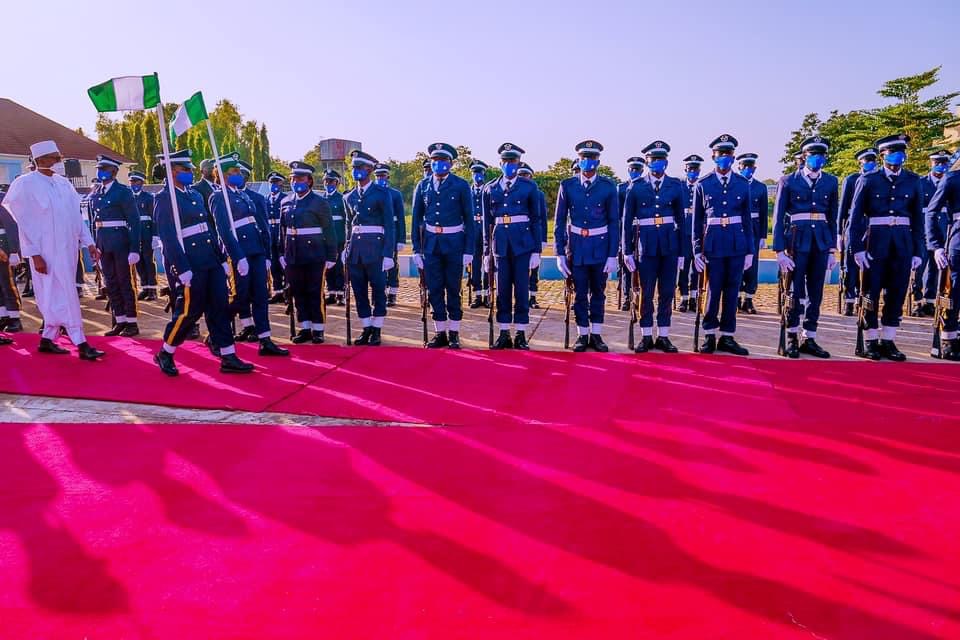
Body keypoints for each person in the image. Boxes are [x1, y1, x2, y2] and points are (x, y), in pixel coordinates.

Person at [153, 149, 253, 375]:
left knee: (219, 307)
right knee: (189, 311)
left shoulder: (195, 195)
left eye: (190, 169)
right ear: (171, 171)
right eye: (184, 169)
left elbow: (209, 229)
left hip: (210, 260)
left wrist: (221, 258)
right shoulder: (164, 198)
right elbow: (168, 237)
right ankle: (166, 352)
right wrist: (182, 268)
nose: (189, 173)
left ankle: (228, 354)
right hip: (190, 262)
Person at [2, 140, 104, 358]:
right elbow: (22, 222)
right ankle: (81, 342)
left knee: (58, 295)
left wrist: (90, 243)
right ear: (40, 160)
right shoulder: (25, 184)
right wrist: (34, 254)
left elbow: (75, 217)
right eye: (55, 157)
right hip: (44, 252)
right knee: (61, 296)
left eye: (59, 157)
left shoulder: (63, 183)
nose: (59, 161)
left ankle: (48, 339)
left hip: (67, 250)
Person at [849, 133, 925, 361]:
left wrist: (918, 251)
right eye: (893, 152)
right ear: (883, 155)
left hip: (902, 243)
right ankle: (871, 339)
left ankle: (888, 339)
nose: (898, 156)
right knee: (870, 291)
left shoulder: (913, 180)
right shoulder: (869, 180)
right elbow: (854, 218)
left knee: (897, 292)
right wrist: (857, 249)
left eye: (901, 152)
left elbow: (918, 219)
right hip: (875, 241)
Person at [209, 154, 288, 356]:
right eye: (235, 172)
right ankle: (216, 333)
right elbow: (224, 230)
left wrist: (266, 253)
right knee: (240, 297)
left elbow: (260, 226)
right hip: (241, 253)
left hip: (256, 251)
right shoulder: (219, 197)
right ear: (224, 175)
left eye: (239, 172)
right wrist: (237, 256)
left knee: (261, 295)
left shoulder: (242, 195)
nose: (239, 175)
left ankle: (265, 339)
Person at [772, 135, 838, 358]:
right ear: (804, 157)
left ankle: (809, 336)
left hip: (820, 241)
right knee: (793, 289)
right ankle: (791, 334)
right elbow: (779, 216)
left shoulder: (830, 181)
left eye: (821, 156)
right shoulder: (788, 181)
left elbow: (833, 217)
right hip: (796, 241)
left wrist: (831, 249)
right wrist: (779, 251)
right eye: (813, 156)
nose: (817, 160)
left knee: (816, 291)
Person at [555, 140, 620, 352]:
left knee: (599, 293)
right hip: (577, 248)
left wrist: (613, 255)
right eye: (583, 157)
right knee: (580, 293)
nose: (587, 161)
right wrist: (559, 253)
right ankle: (582, 334)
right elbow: (559, 222)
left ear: (598, 161)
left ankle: (596, 334)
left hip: (600, 248)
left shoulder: (608, 187)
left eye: (591, 158)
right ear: (578, 159)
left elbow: (613, 223)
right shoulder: (567, 185)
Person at [692, 134, 754, 355]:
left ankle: (727, 336)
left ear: (733, 156)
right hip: (714, 243)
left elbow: (747, 219)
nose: (725, 158)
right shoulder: (703, 184)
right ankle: (709, 333)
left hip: (737, 244)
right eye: (721, 155)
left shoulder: (741, 183)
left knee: (732, 290)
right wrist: (697, 250)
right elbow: (697, 220)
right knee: (713, 289)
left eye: (728, 155)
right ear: (713, 157)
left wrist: (750, 251)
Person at [622, 140, 685, 353]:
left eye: (661, 159)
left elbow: (682, 221)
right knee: (646, 292)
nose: (658, 163)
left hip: (669, 246)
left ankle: (664, 335)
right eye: (654, 159)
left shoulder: (676, 185)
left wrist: (683, 253)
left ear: (666, 162)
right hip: (645, 246)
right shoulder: (636, 186)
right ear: (647, 162)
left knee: (667, 292)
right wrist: (627, 251)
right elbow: (626, 220)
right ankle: (646, 334)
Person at [411, 143, 474, 349]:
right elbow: (416, 219)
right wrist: (416, 249)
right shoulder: (423, 185)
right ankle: (440, 331)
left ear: (451, 163)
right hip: (431, 245)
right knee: (434, 288)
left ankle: (454, 331)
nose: (438, 164)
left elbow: (469, 219)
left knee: (453, 288)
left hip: (454, 243)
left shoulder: (461, 185)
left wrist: (469, 250)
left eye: (443, 161)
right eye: (435, 161)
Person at [482, 143, 542, 350]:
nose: (509, 164)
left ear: (518, 163)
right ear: (500, 163)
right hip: (499, 245)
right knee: (502, 290)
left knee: (522, 290)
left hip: (523, 245)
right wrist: (486, 252)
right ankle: (504, 331)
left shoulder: (529, 187)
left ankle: (521, 333)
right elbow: (487, 223)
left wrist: (537, 250)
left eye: (513, 161)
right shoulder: (490, 188)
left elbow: (536, 219)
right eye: (506, 161)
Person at [280, 161, 338, 344]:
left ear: (309, 181)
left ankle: (318, 328)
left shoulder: (320, 202)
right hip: (293, 254)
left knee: (314, 291)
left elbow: (329, 230)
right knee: (298, 291)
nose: (296, 181)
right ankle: (304, 327)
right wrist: (282, 254)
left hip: (315, 254)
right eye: (293, 178)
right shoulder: (286, 201)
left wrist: (331, 255)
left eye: (300, 178)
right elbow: (282, 231)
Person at [345, 151, 396, 345]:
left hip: (375, 249)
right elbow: (349, 224)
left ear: (369, 169)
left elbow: (389, 225)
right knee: (358, 290)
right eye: (354, 168)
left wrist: (388, 253)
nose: (356, 171)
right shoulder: (349, 196)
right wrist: (346, 247)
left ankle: (377, 329)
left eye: (360, 168)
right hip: (355, 251)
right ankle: (366, 327)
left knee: (378, 290)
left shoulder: (382, 194)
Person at [89, 154, 141, 336]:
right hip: (103, 242)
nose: (101, 172)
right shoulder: (96, 193)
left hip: (120, 241)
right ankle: (119, 320)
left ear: (114, 171)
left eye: (104, 169)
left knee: (124, 282)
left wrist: (135, 248)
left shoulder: (123, 192)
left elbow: (134, 221)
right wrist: (94, 246)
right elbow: (95, 223)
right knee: (110, 282)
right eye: (99, 169)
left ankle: (132, 322)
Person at [926, 158, 960, 360]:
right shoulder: (952, 179)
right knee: (954, 292)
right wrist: (936, 246)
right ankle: (948, 339)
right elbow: (932, 211)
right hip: (957, 241)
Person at [838, 147, 878, 316]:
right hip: (854, 226)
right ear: (860, 162)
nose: (869, 163)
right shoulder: (852, 179)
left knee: (871, 263)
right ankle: (849, 299)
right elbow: (843, 207)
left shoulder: (878, 179)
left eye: (872, 160)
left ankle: (865, 298)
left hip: (872, 226)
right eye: (866, 161)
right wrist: (839, 233)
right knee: (850, 265)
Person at [916, 150, 952, 317]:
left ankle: (930, 301)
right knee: (919, 266)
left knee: (935, 269)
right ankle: (917, 300)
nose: (940, 166)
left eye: (943, 163)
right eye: (937, 162)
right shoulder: (921, 182)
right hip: (924, 230)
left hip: (944, 230)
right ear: (931, 163)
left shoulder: (950, 182)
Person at [737, 153, 768, 314]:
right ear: (739, 167)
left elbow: (764, 213)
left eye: (751, 167)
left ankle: (748, 298)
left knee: (752, 264)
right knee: (736, 263)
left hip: (754, 229)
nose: (748, 169)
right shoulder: (734, 184)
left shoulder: (760, 187)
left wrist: (763, 235)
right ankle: (736, 296)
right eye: (745, 166)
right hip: (737, 228)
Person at [373, 163, 406, 307]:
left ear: (388, 176)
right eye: (378, 176)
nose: (380, 178)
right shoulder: (371, 193)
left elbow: (401, 218)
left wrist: (401, 239)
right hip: (376, 233)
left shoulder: (395, 194)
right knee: (375, 265)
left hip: (391, 233)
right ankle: (379, 292)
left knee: (392, 264)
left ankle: (392, 292)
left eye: (383, 175)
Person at [617, 157, 645, 311]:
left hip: (642, 230)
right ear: (628, 170)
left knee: (642, 266)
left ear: (642, 170)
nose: (634, 171)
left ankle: (639, 295)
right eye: (632, 169)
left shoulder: (645, 187)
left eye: (637, 169)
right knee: (625, 267)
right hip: (626, 231)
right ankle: (627, 297)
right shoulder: (621, 188)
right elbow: (617, 215)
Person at [519, 162, 548, 310]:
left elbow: (542, 218)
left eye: (526, 175)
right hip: (520, 238)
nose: (524, 177)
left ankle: (533, 296)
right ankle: (522, 297)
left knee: (534, 269)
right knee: (520, 270)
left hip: (534, 236)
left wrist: (543, 239)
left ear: (531, 176)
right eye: (521, 175)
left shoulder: (538, 194)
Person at [677, 155, 703, 312]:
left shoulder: (703, 186)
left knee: (696, 267)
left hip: (698, 232)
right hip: (683, 232)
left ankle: (694, 297)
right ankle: (683, 297)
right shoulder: (679, 187)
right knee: (683, 267)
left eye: (695, 169)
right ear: (685, 170)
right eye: (690, 169)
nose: (692, 172)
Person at [129, 170, 158, 302]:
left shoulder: (148, 197)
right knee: (139, 261)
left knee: (148, 261)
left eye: (136, 181)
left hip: (147, 233)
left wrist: (155, 236)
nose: (134, 184)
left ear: (142, 182)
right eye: (132, 181)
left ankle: (152, 289)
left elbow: (154, 218)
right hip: (134, 234)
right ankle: (145, 287)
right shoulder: (129, 197)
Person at [321, 170, 347, 306]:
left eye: (331, 181)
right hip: (325, 239)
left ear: (337, 183)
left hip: (339, 238)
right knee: (327, 266)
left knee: (338, 266)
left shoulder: (341, 199)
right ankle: (331, 292)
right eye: (326, 181)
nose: (328, 184)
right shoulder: (321, 199)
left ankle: (341, 294)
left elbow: (346, 220)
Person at [468, 160, 490, 309]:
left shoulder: (488, 190)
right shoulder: (467, 191)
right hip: (472, 230)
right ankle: (477, 294)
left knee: (488, 263)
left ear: (484, 174)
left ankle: (487, 294)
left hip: (485, 229)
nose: (477, 176)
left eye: (479, 173)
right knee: (475, 264)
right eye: (475, 173)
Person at [0, 190, 23, 333]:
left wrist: (14, 250)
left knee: (7, 282)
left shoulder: (2, 197)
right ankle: (3, 315)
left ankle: (15, 317)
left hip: (3, 245)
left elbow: (11, 225)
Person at [265, 171, 287, 304]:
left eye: (276, 183)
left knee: (283, 263)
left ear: (281, 184)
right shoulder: (266, 199)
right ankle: (277, 291)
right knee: (274, 265)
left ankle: (287, 292)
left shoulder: (285, 198)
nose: (273, 185)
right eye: (271, 182)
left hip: (281, 233)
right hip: (270, 234)